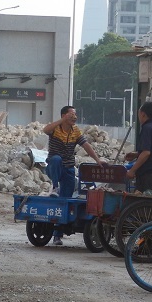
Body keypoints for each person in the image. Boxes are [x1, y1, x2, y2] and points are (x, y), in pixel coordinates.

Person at [43, 105, 106, 246]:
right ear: (64, 115)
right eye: (71, 114)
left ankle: (57, 235)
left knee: (65, 201)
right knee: (56, 159)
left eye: (75, 114)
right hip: (55, 167)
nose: (74, 117)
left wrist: (97, 160)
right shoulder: (55, 129)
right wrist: (61, 120)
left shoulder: (75, 131)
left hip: (69, 169)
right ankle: (54, 187)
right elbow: (45, 130)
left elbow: (86, 146)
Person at [124, 101, 152, 193]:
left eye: (139, 114)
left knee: (141, 204)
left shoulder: (147, 128)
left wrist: (132, 170)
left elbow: (146, 153)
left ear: (143, 114)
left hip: (148, 175)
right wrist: (136, 154)